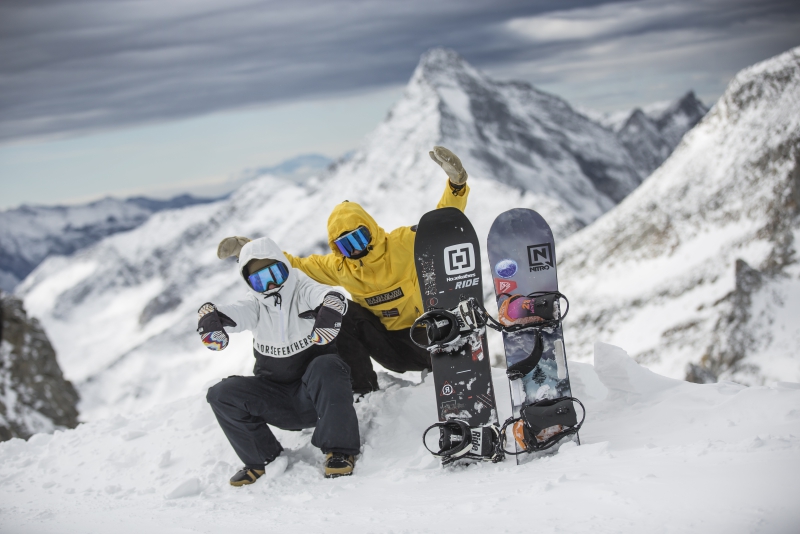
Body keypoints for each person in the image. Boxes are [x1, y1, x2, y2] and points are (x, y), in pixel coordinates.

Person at [217, 146, 471, 394]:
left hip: (429, 337)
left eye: (359, 238)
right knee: (340, 308)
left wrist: (456, 186)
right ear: (337, 248)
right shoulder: (341, 268)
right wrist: (250, 252)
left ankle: (455, 358)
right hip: (391, 348)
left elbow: (441, 223)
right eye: (346, 245)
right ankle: (362, 389)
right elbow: (292, 265)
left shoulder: (402, 243)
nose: (355, 249)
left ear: (370, 230)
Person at [199, 237, 360, 485]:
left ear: (285, 266)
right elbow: (238, 311)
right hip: (276, 399)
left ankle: (340, 451)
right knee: (221, 394)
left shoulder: (302, 287)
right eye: (260, 280)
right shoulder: (255, 303)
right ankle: (262, 459)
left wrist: (330, 306)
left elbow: (326, 295)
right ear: (249, 283)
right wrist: (214, 316)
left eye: (275, 273)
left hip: (314, 397)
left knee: (327, 365)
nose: (271, 284)